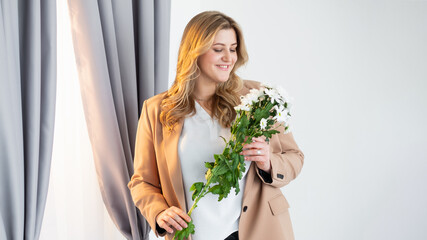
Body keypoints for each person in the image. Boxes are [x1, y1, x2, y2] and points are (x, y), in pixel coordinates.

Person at [128, 11, 304, 240]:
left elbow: (295, 157)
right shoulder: (157, 110)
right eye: (218, 49)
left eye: (233, 49)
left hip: (256, 231)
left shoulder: (258, 98)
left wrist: (269, 162)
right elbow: (142, 182)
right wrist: (159, 211)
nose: (229, 58)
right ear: (194, 52)